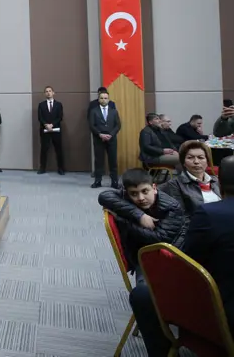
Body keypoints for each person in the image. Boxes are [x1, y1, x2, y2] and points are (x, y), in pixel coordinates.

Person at [129, 158, 234, 356]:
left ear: (218, 181)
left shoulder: (209, 214)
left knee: (142, 295)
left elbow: (187, 262)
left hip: (222, 314)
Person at [97, 169, 187, 282]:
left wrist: (122, 220)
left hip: (173, 254)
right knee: (142, 291)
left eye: (145, 191)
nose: (140, 198)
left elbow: (158, 240)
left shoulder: (172, 207)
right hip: (142, 254)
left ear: (154, 188)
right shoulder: (127, 197)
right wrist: (140, 215)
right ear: (126, 193)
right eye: (134, 194)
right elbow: (104, 196)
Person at [160, 140, 221, 217]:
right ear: (183, 162)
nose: (196, 161)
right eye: (190, 158)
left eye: (201, 157)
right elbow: (180, 216)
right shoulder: (175, 185)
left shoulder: (216, 180)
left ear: (207, 161)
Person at [89, 91, 121, 189]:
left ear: (108, 99)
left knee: (113, 161)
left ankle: (114, 182)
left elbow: (118, 125)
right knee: (99, 161)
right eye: (101, 98)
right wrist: (100, 134)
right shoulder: (94, 111)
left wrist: (111, 135)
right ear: (99, 99)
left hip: (111, 139)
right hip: (99, 139)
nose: (103, 100)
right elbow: (91, 125)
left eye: (105, 98)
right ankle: (97, 181)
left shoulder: (113, 111)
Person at [37, 86, 64, 175]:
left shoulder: (58, 104)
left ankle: (60, 168)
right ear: (45, 94)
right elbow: (40, 117)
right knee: (44, 150)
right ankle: (42, 168)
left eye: (50, 91)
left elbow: (60, 117)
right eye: (46, 91)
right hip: (45, 131)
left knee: (58, 150)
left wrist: (52, 125)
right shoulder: (41, 105)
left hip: (56, 130)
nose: (48, 93)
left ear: (53, 93)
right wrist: (46, 125)